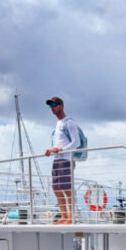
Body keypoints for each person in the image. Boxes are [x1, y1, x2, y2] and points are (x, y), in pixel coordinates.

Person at [44, 96, 81, 224]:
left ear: (61, 106)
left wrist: (60, 150)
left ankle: (71, 217)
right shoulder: (57, 124)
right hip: (57, 160)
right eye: (50, 106)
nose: (52, 108)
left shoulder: (69, 123)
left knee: (66, 188)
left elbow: (76, 142)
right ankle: (64, 216)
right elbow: (59, 143)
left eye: (54, 105)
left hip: (66, 160)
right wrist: (52, 151)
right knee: (56, 188)